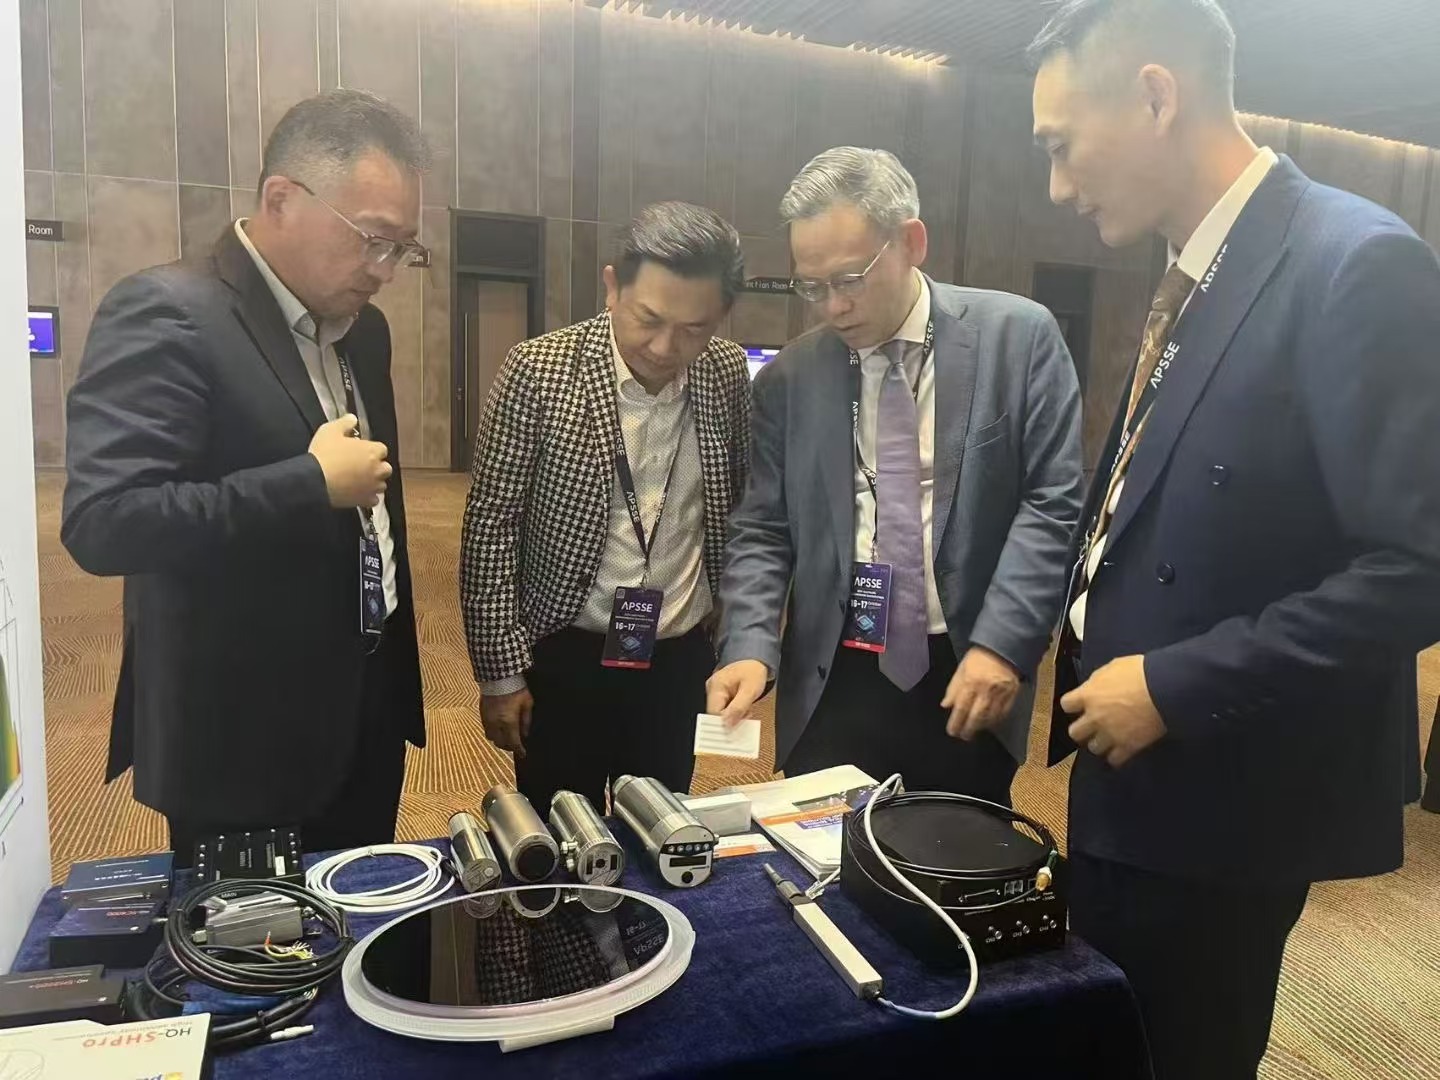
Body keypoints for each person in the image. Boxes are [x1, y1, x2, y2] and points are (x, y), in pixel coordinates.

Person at [1029, 2, 1440, 1077]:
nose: (1058, 186)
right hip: (1134, 781)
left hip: (1226, 796)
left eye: (1064, 146)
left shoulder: (1355, 263)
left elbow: (1420, 567)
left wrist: (1176, 685)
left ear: (1155, 97)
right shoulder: (1200, 269)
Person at [62, 90, 431, 863]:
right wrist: (307, 484)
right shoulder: (169, 312)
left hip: (364, 711)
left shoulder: (364, 331)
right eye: (371, 240)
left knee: (361, 919)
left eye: (402, 249)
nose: (385, 271)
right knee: (253, 940)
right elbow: (105, 521)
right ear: (282, 199)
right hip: (242, 742)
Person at [707, 147, 1084, 802]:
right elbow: (763, 529)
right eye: (812, 286)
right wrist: (747, 643)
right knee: (823, 854)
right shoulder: (791, 378)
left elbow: (1052, 503)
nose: (833, 306)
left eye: (849, 279)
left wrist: (1005, 643)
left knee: (958, 849)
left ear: (911, 242)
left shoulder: (1018, 339)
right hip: (833, 674)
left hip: (968, 667)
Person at [460, 202, 751, 814]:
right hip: (567, 647)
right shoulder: (539, 370)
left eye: (694, 328)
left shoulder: (725, 373)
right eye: (649, 318)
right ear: (613, 286)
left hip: (677, 655)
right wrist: (500, 674)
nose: (665, 346)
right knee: (561, 828)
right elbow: (491, 526)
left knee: (662, 821)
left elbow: (742, 508)